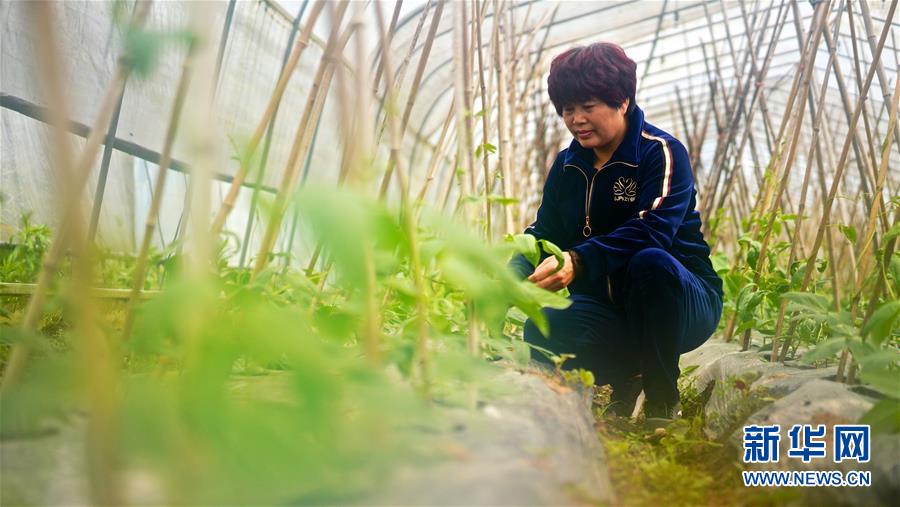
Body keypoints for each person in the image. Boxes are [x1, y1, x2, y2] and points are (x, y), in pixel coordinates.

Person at [509, 42, 723, 424]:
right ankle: (629, 375)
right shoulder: (567, 165)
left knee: (650, 261)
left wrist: (580, 259)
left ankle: (661, 397)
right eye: (567, 110)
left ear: (622, 101)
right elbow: (546, 232)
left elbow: (654, 229)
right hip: (607, 309)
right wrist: (506, 280)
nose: (576, 119)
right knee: (542, 330)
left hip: (678, 301)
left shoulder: (659, 152)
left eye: (588, 107)